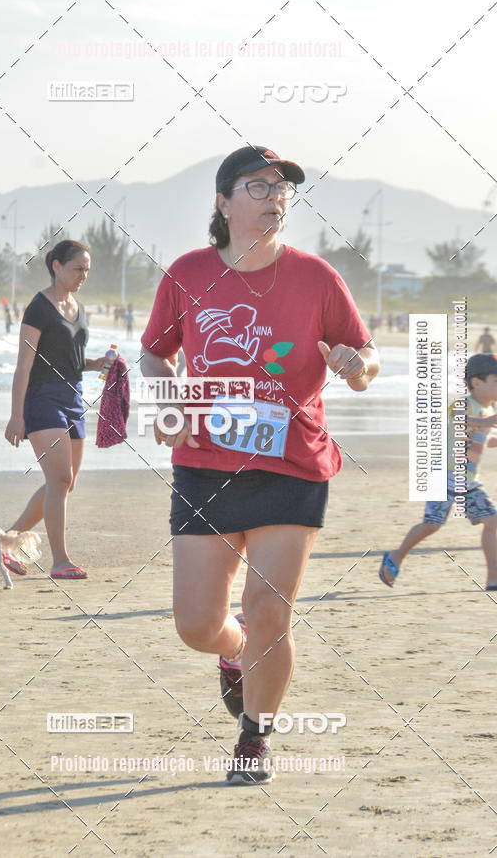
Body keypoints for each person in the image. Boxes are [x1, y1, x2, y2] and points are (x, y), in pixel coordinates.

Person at [140, 145, 379, 785]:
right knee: (195, 624)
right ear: (223, 202)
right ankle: (235, 651)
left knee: (271, 607)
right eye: (258, 186)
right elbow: (156, 356)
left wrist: (360, 367)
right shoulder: (188, 273)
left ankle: (255, 736)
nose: (275, 197)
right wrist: (168, 405)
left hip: (292, 461)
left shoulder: (318, 278)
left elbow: (364, 355)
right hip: (205, 463)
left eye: (283, 189)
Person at [4, 239, 108, 579]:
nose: (83, 276)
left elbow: (73, 362)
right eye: (78, 269)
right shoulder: (38, 307)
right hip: (41, 398)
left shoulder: (78, 307)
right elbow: (24, 364)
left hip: (73, 398)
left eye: (87, 271)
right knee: (60, 478)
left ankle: (7, 542)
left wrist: (100, 364)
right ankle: (60, 561)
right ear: (57, 266)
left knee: (65, 482)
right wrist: (16, 415)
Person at [380, 353, 497, 591]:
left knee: (493, 521)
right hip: (443, 475)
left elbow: (483, 438)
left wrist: (489, 432)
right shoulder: (465, 403)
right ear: (477, 382)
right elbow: (460, 420)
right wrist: (487, 421)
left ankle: (493, 577)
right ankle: (396, 555)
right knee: (431, 525)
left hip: (469, 482)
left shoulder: (487, 409)